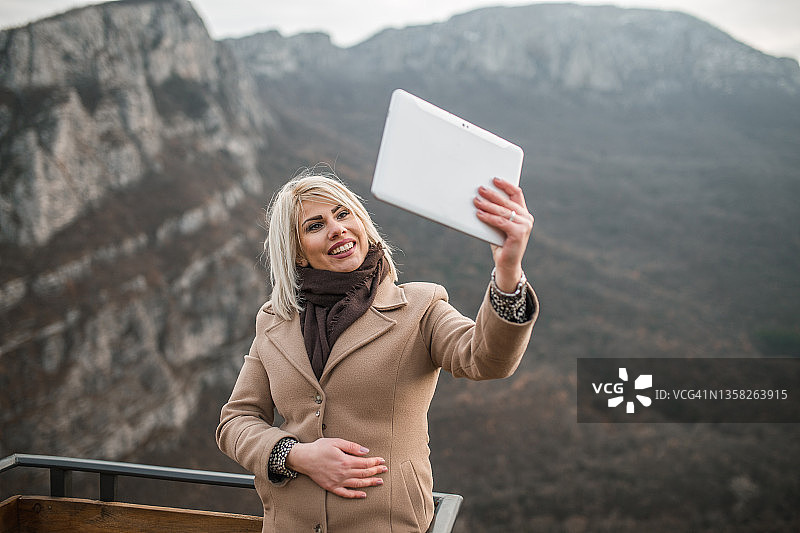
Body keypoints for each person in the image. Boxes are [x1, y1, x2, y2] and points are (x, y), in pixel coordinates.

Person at [216, 167, 539, 533]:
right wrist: (295, 455)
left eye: (343, 214)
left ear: (361, 224)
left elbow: (484, 359)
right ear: (297, 253)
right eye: (315, 225)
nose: (336, 228)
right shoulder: (274, 321)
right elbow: (236, 420)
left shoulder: (421, 307)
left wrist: (509, 271)